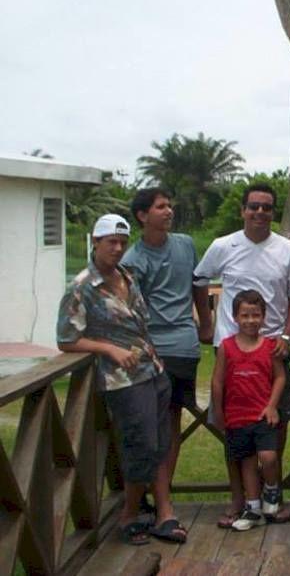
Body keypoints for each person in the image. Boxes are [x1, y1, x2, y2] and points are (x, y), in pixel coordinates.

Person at [57, 214, 182, 546]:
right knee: (139, 446)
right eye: (110, 241)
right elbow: (66, 339)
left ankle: (163, 512)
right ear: (95, 241)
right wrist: (107, 349)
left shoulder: (127, 275)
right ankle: (129, 515)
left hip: (152, 369)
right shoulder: (82, 286)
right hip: (122, 380)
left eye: (122, 242)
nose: (117, 248)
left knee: (159, 443)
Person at [194, 183, 290, 528]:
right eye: (253, 206)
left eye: (267, 208)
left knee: (275, 422)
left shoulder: (288, 249)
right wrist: (209, 323)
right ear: (243, 210)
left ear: (273, 212)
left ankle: (273, 494)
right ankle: (240, 499)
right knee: (233, 427)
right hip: (231, 348)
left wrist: (286, 334)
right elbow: (198, 281)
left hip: (272, 349)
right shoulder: (222, 245)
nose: (260, 213)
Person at [123, 188, 212, 529]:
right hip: (151, 349)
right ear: (143, 215)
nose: (169, 211)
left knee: (171, 425)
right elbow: (131, 312)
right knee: (151, 429)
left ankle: (164, 496)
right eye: (161, 207)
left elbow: (198, 285)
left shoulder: (186, 244)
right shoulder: (133, 259)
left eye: (170, 205)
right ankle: (156, 502)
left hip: (184, 347)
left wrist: (206, 323)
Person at [211, 289, 286, 531]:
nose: (250, 320)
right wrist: (219, 412)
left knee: (268, 456)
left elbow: (280, 377)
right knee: (247, 462)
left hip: (263, 414)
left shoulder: (270, 347)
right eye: (245, 315)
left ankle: (272, 489)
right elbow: (217, 381)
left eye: (256, 315)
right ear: (235, 317)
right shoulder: (226, 347)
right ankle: (253, 509)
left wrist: (272, 405)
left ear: (263, 317)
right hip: (236, 416)